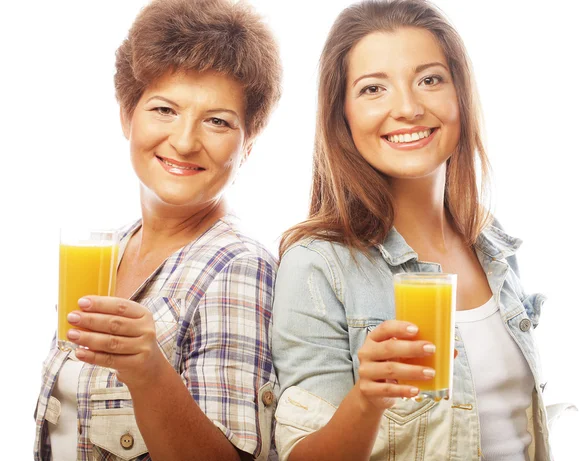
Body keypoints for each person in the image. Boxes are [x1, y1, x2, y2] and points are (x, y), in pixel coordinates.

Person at [272, 0, 551, 460]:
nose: (407, 108)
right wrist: (367, 398)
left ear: (460, 92)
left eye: (429, 80)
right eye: (372, 89)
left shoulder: (493, 243)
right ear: (341, 114)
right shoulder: (317, 265)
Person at [34, 0, 281, 460]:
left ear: (249, 142)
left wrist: (150, 372)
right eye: (165, 109)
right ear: (128, 115)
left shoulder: (239, 269)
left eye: (217, 121)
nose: (185, 141)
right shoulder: (110, 250)